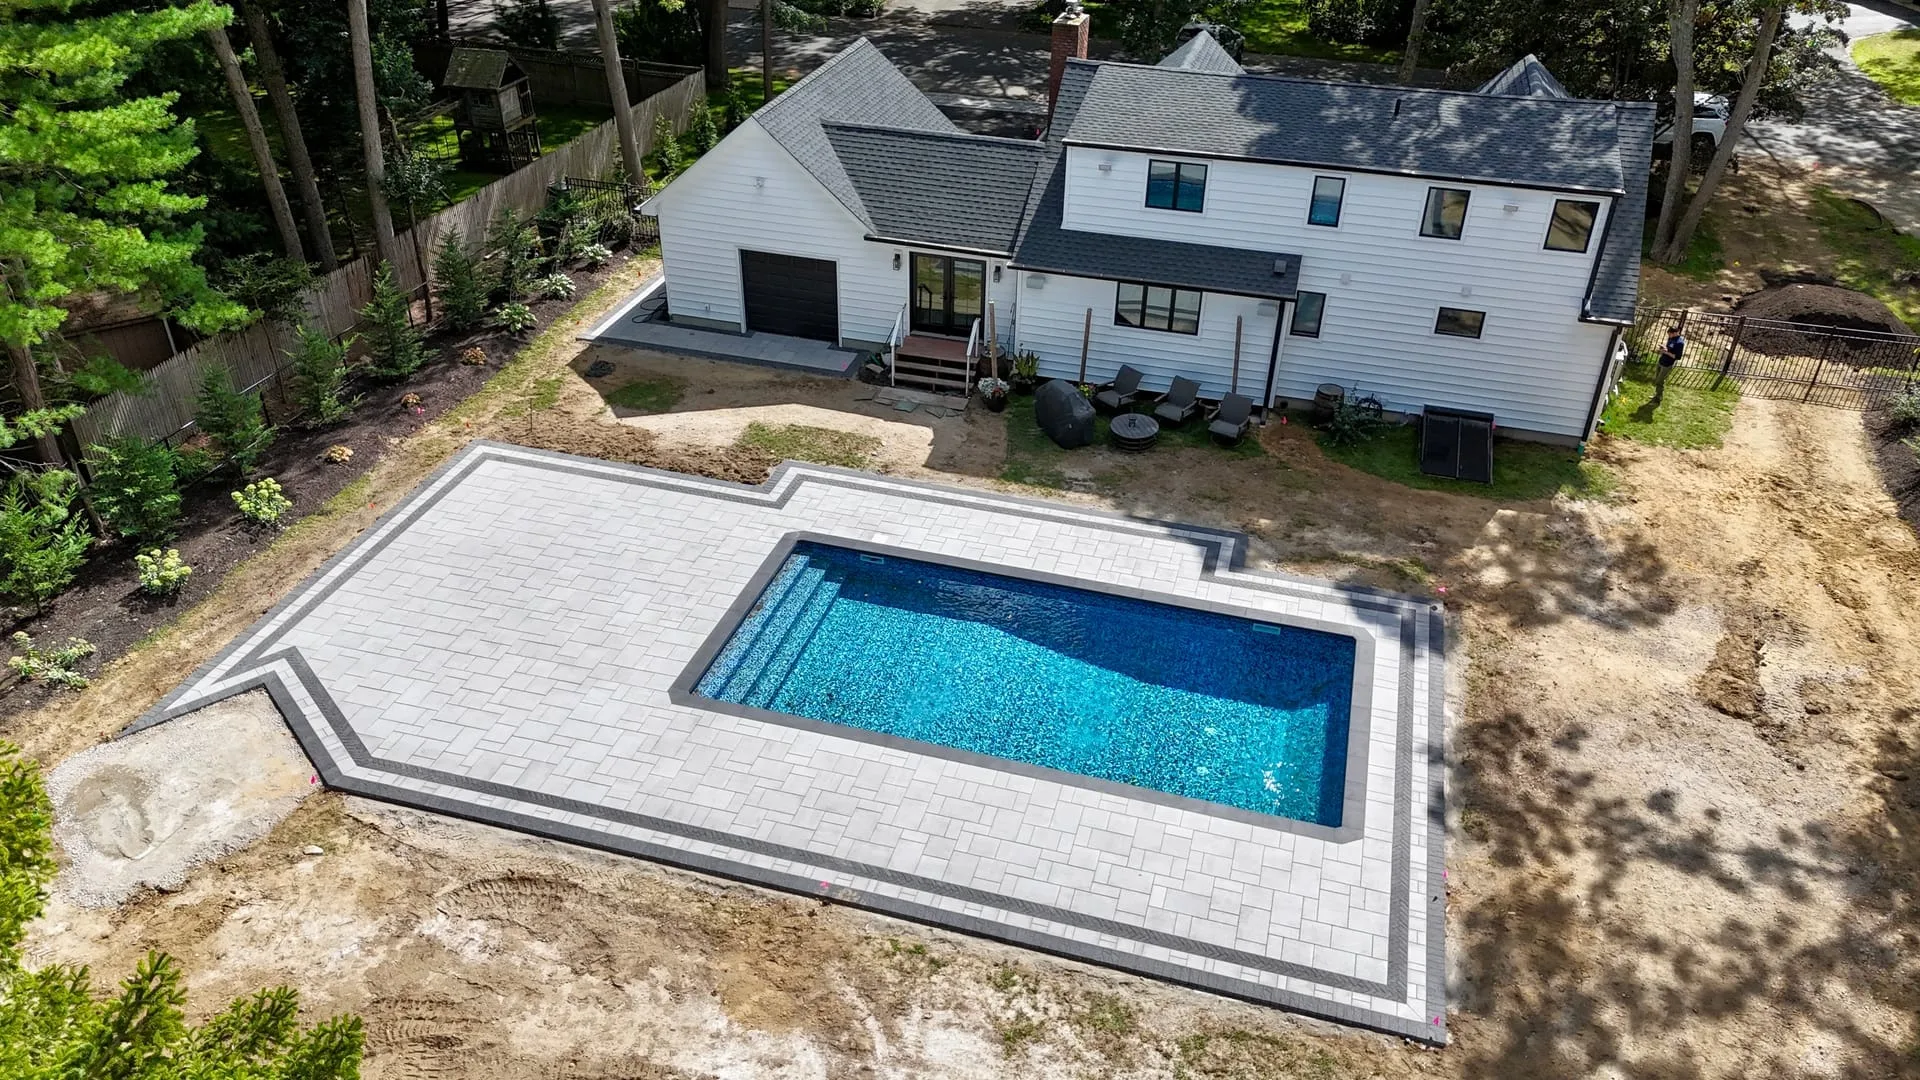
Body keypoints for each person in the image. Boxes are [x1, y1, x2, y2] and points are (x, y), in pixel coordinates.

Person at [1654, 324, 1685, 400]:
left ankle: (1659, 397)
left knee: (1660, 381)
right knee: (1657, 378)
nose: (1669, 336)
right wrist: (1664, 348)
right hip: (1661, 361)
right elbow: (1669, 348)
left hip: (1667, 364)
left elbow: (1677, 357)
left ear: (1675, 333)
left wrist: (1666, 352)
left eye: (1670, 334)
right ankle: (1657, 394)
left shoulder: (1680, 343)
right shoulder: (1671, 338)